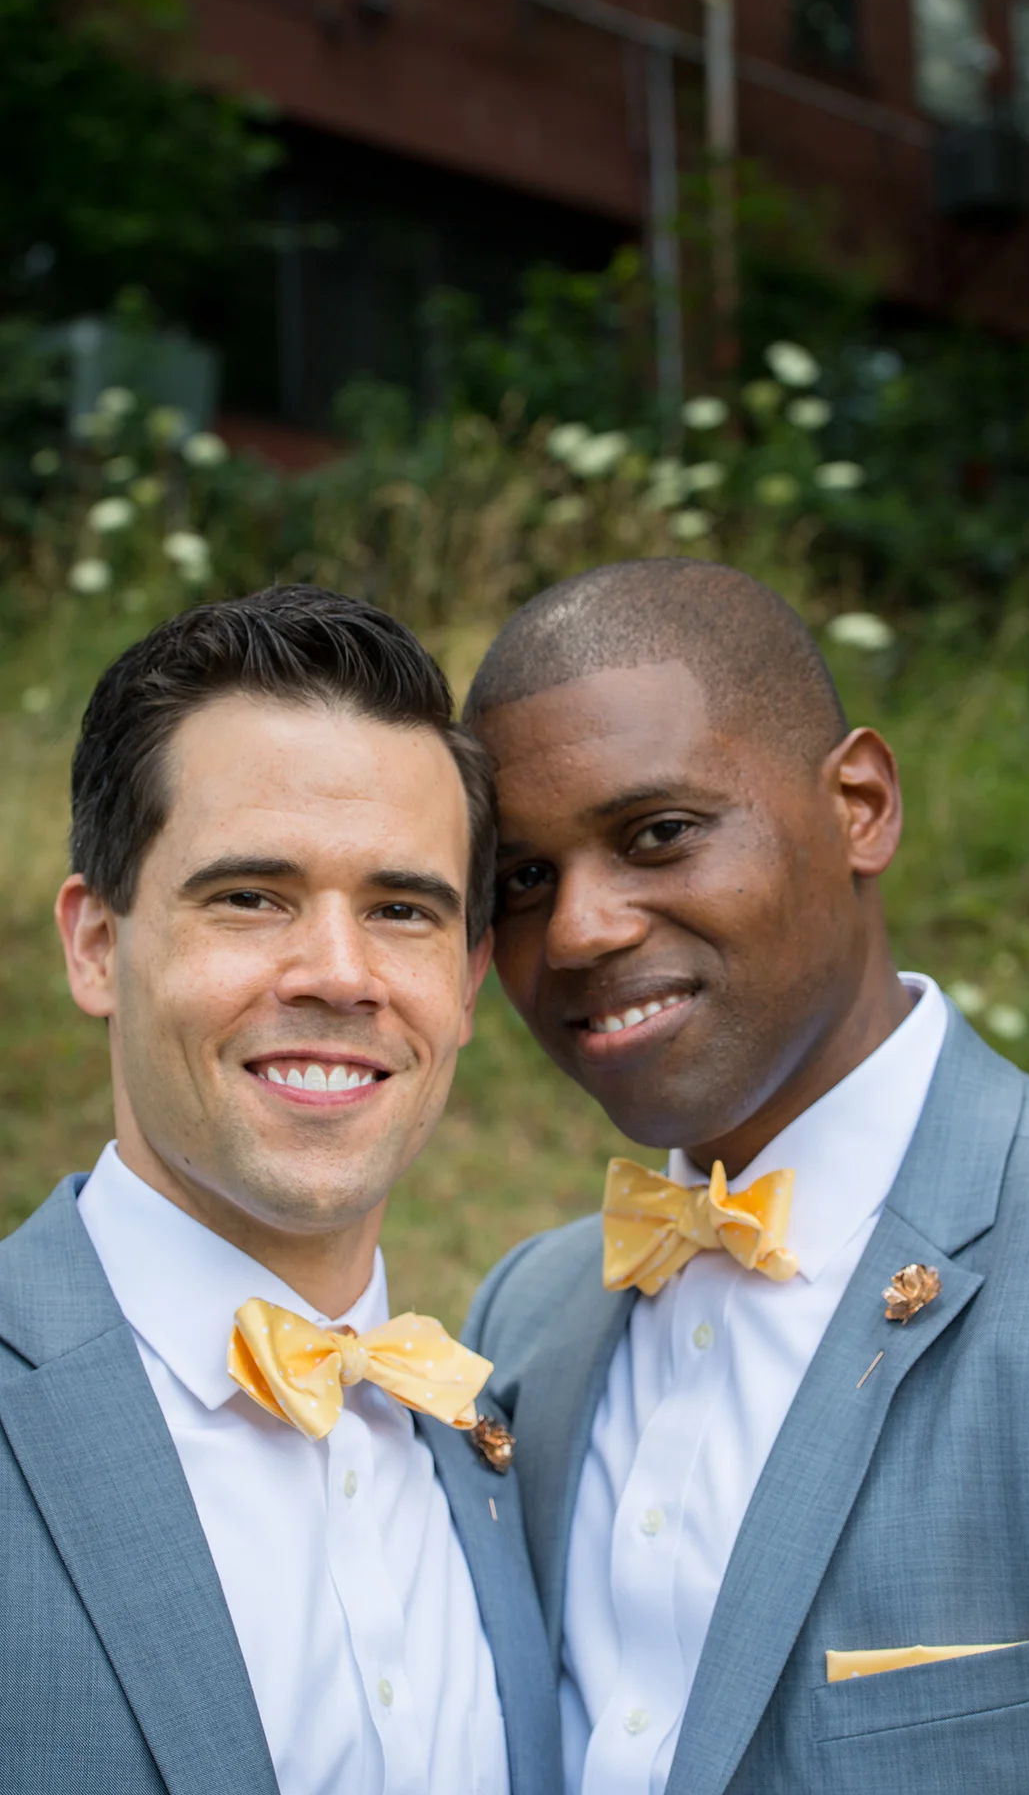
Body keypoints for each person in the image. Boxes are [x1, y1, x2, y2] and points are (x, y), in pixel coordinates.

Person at [462, 556, 1029, 1795]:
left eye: (659, 833)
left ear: (859, 804)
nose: (580, 928)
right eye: (523, 881)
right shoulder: (522, 1322)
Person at [0, 586, 560, 1795]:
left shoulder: (492, 1441)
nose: (341, 974)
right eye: (251, 896)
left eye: (402, 910)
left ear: (467, 984)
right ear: (98, 944)